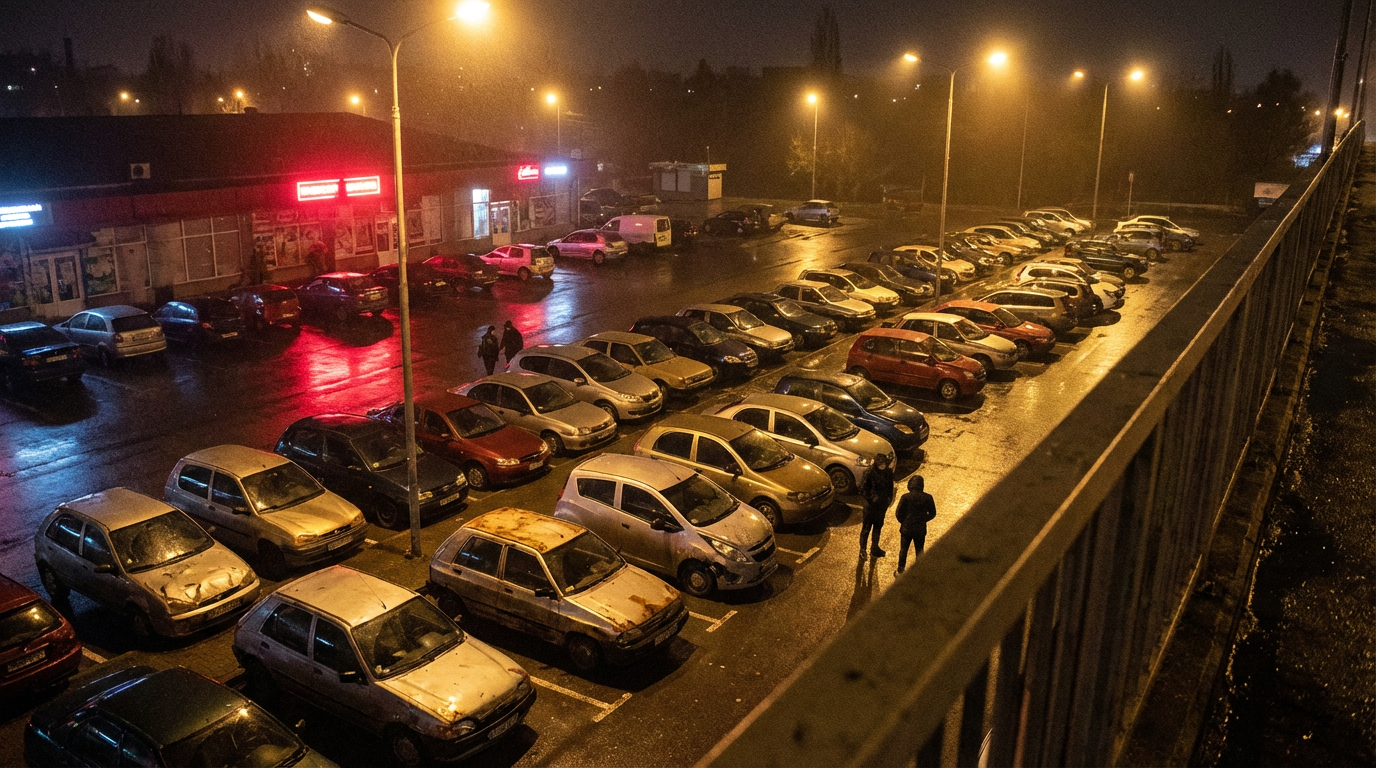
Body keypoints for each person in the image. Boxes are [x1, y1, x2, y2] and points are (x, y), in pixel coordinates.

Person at [895, 475, 938, 574]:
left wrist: (904, 521)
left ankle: (900, 569)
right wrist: (923, 520)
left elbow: (898, 513)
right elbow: (933, 513)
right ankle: (920, 569)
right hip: (920, 529)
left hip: (907, 529)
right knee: (919, 549)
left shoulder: (905, 497)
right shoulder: (928, 497)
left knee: (903, 550)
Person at [858, 454, 895, 559]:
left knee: (877, 528)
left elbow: (890, 487)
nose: (883, 466)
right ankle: (863, 550)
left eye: (884, 464)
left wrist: (888, 500)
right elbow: (862, 489)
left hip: (881, 507)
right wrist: (871, 498)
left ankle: (874, 548)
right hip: (870, 507)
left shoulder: (888, 472)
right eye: (881, 465)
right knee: (866, 529)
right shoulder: (869, 473)